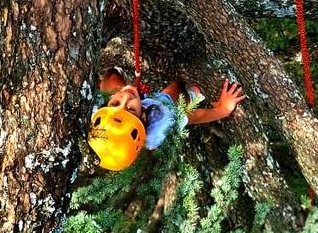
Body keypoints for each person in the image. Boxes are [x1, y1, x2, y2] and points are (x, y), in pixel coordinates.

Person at [88, 68, 246, 171]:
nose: (126, 98)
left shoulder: (98, 112)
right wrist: (223, 110)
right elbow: (193, 117)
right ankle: (192, 95)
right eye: (130, 109)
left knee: (111, 77)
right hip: (160, 107)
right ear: (142, 117)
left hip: (135, 109)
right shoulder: (161, 123)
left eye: (115, 104)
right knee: (175, 89)